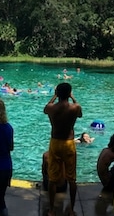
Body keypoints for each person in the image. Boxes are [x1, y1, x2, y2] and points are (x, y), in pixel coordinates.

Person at [43, 82, 82, 216]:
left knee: (52, 179)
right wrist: (73, 97)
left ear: (58, 93)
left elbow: (45, 109)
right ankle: (71, 209)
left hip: (55, 143)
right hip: (69, 143)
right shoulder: (75, 107)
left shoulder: (51, 108)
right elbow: (80, 114)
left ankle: (52, 210)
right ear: (69, 93)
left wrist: (54, 97)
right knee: (72, 179)